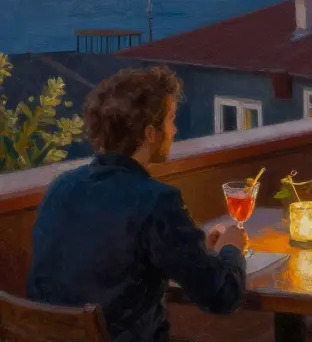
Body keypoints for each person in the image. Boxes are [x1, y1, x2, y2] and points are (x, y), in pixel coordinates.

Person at [28, 67, 247, 341]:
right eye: (170, 119)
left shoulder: (61, 187)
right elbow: (222, 296)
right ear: (150, 133)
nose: (175, 129)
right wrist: (231, 247)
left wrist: (198, 250)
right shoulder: (155, 200)